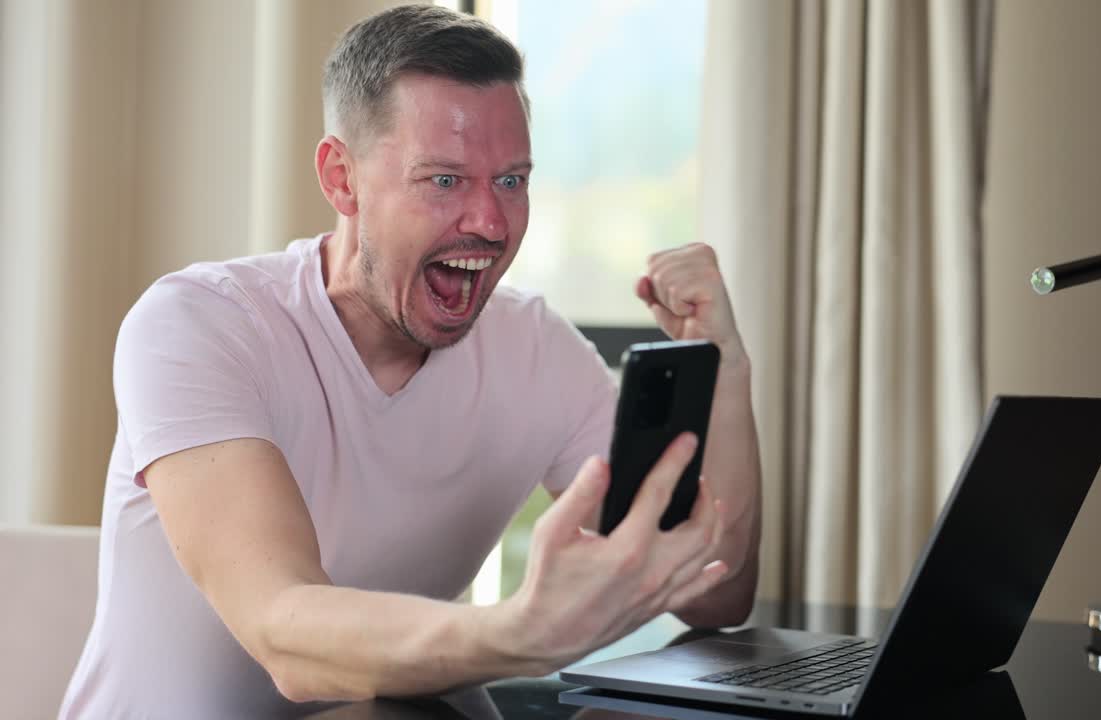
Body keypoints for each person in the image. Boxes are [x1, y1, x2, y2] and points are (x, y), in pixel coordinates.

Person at [59, 5, 761, 718]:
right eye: (445, 181)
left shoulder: (533, 348)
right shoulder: (199, 325)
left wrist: (727, 368)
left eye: (512, 181)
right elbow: (286, 634)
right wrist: (521, 631)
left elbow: (714, 589)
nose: (490, 222)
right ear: (342, 179)